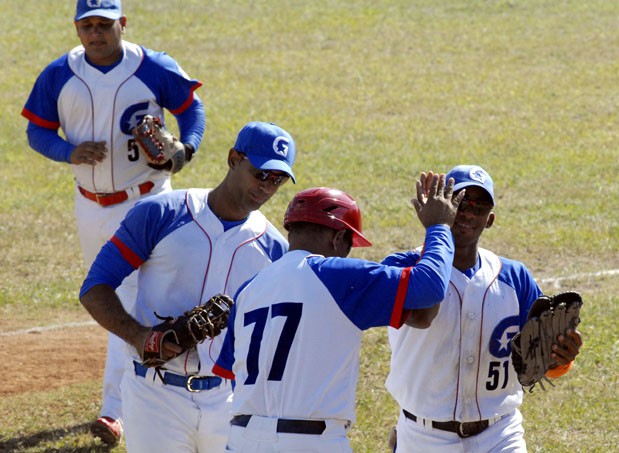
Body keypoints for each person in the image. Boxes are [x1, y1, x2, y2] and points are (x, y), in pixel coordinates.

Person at [21, 0, 206, 445]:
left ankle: (117, 410)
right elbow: (36, 131)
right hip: (90, 206)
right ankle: (147, 390)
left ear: (122, 24)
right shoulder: (59, 74)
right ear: (77, 28)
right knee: (109, 296)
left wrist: (187, 148)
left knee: (129, 296)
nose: (96, 33)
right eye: (88, 26)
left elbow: (191, 110)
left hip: (148, 202)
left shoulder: (153, 67)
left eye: (105, 24)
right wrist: (69, 151)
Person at [79, 121, 296, 452]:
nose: (267, 186)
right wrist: (140, 337)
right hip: (155, 396)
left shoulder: (274, 249)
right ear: (234, 159)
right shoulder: (162, 213)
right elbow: (95, 286)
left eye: (277, 179)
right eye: (260, 173)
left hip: (229, 401)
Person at [212, 173, 464, 452]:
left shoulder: (248, 290)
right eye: (349, 245)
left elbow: (232, 373)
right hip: (308, 443)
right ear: (339, 238)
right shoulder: (336, 276)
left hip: (242, 439)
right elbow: (429, 287)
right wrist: (439, 227)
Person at [383, 165, 584, 452]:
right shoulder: (402, 268)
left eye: (479, 208)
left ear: (489, 220)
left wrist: (561, 359)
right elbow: (418, 311)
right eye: (461, 203)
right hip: (424, 437)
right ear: (443, 206)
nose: (468, 213)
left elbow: (543, 353)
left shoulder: (515, 278)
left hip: (500, 434)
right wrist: (435, 230)